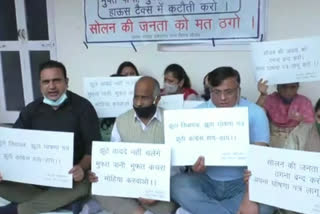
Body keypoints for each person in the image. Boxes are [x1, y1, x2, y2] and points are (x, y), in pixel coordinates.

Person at [0, 60, 101, 214]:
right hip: (36, 180)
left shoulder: (83, 108)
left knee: (86, 185)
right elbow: (13, 144)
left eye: (57, 80)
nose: (52, 86)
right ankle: (63, 203)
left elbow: (93, 149)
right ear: (40, 85)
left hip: (72, 181)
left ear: (66, 82)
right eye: (46, 82)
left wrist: (81, 167)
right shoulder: (31, 110)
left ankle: (18, 209)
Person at [171, 67, 270, 214]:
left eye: (228, 92)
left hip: (242, 183)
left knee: (268, 203)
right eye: (216, 92)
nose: (222, 98)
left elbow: (260, 160)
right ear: (210, 90)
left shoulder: (256, 112)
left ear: (239, 90)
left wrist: (249, 198)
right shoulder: (196, 113)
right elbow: (189, 158)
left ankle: (204, 210)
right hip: (207, 180)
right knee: (176, 184)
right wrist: (194, 167)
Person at [89, 76, 177, 214]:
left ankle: (133, 210)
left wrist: (157, 190)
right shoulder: (122, 120)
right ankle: (138, 212)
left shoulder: (172, 121)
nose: (139, 103)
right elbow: (114, 158)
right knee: (99, 189)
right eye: (136, 97)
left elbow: (178, 167)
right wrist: (101, 172)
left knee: (169, 206)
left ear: (157, 99)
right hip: (128, 185)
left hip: (159, 188)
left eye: (144, 98)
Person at [239, 98, 320, 214]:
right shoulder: (302, 132)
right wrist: (258, 174)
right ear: (315, 114)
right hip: (300, 203)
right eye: (319, 117)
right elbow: (285, 164)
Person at [256, 79, 314, 148]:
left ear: (297, 87)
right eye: (283, 86)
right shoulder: (270, 99)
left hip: (297, 145)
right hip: (273, 144)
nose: (288, 91)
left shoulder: (304, 103)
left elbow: (310, 128)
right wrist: (263, 95)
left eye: (292, 87)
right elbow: (255, 116)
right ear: (277, 87)